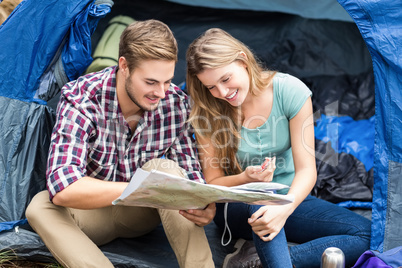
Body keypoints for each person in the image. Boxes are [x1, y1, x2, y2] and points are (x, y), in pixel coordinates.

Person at [26, 19, 216, 268]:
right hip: (91, 213)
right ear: (124, 66)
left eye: (167, 81)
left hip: (141, 214)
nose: (161, 92)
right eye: (150, 82)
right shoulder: (82, 98)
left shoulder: (175, 104)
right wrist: (144, 186)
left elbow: (189, 176)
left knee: (165, 169)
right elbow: (64, 187)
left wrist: (202, 205)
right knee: (40, 206)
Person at [186, 28, 371, 268]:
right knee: (263, 200)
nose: (221, 93)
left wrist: (286, 208)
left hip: (289, 198)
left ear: (243, 61)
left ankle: (262, 263)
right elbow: (213, 183)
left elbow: (306, 170)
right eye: (211, 87)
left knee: (365, 234)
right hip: (236, 206)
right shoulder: (207, 109)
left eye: (225, 79)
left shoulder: (289, 91)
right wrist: (245, 178)